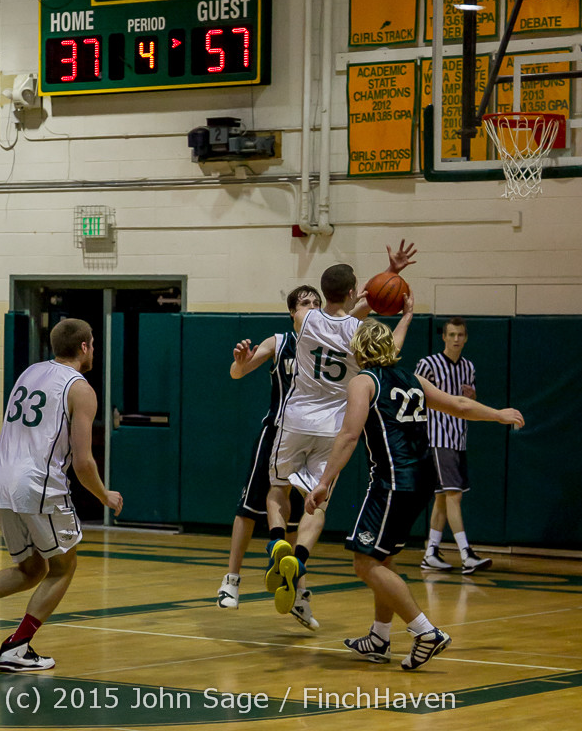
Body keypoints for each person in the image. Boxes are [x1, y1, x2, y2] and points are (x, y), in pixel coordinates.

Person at [305, 318, 524, 670]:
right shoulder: (413, 379)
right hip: (423, 479)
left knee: (364, 562)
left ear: (358, 349)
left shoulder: (363, 382)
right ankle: (379, 638)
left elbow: (348, 436)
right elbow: (460, 406)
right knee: (384, 560)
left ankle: (425, 631)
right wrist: (498, 414)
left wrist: (325, 481)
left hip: (393, 481)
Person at [264, 241, 416, 618]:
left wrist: (370, 287)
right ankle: (298, 559)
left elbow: (345, 307)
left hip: (296, 418)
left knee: (277, 491)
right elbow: (372, 315)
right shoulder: (359, 332)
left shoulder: (306, 320)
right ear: (352, 292)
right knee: (318, 500)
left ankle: (276, 544)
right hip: (334, 426)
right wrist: (394, 283)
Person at [0, 318, 123, 672]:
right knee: (63, 566)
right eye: (92, 343)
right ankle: (16, 647)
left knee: (32, 568)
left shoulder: (29, 373)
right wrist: (104, 495)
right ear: (84, 347)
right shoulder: (81, 389)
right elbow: (82, 462)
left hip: (1, 481)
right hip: (38, 484)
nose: (93, 349)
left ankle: (17, 648)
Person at [216, 285, 322, 630]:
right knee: (249, 508)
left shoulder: (329, 345)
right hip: (276, 431)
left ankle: (297, 593)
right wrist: (240, 363)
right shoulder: (279, 341)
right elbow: (237, 373)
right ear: (292, 312)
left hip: (314, 437)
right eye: (305, 303)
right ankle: (231, 580)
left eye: (317, 303)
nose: (312, 308)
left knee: (300, 517)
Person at [415, 317, 491, 574]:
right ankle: (466, 553)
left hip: (459, 437)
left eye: (460, 334)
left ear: (466, 337)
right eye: (452, 334)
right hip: (437, 437)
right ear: (444, 337)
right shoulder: (428, 364)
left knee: (442, 498)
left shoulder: (468, 367)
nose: (456, 339)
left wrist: (472, 397)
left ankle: (431, 553)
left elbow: (469, 401)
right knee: (454, 495)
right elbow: (414, 396)